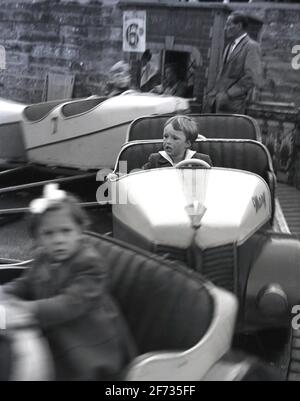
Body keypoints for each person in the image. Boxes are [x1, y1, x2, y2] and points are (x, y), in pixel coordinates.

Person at [1, 184, 136, 381]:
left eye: (66, 231)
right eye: (49, 234)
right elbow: (25, 284)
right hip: (55, 327)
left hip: (87, 341)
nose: (58, 240)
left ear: (80, 231)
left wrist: (26, 310)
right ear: (38, 238)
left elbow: (70, 303)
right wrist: (4, 292)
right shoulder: (43, 258)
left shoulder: (89, 264)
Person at [203, 12, 263, 114]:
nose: (225, 28)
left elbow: (252, 77)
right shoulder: (230, 46)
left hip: (232, 106)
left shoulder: (251, 46)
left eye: (228, 24)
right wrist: (212, 95)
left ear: (239, 26)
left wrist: (229, 94)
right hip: (216, 103)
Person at [143, 115, 212, 169]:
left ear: (187, 143)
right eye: (166, 136)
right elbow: (140, 175)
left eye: (175, 138)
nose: (168, 141)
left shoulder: (202, 161)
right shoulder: (155, 160)